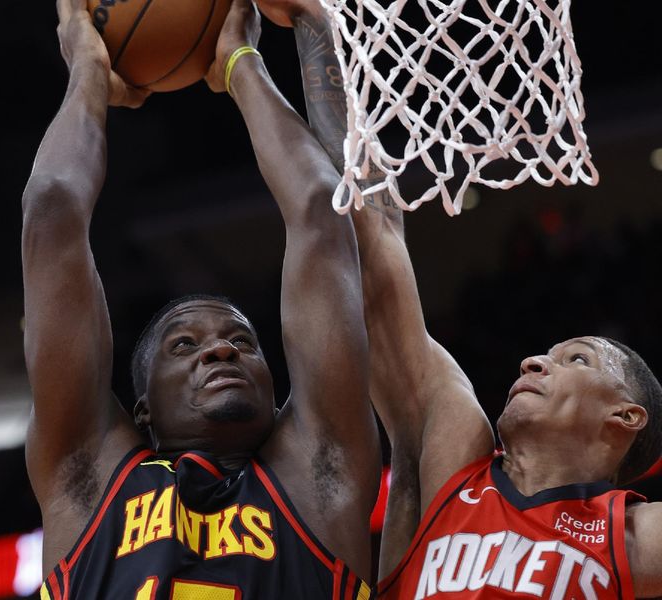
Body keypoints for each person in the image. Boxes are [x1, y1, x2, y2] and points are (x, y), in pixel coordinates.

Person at [256, 1, 662, 597]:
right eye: (549, 354)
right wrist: (316, 24)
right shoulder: (452, 457)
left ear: (624, 417)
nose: (534, 361)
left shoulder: (631, 536)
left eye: (577, 359)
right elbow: (377, 246)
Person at [21, 0, 381, 597]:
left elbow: (323, 210)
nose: (220, 352)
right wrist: (86, 67)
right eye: (185, 345)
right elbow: (52, 207)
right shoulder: (87, 481)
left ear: (276, 383)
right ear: (142, 411)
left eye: (242, 341)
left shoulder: (320, 474)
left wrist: (241, 63)